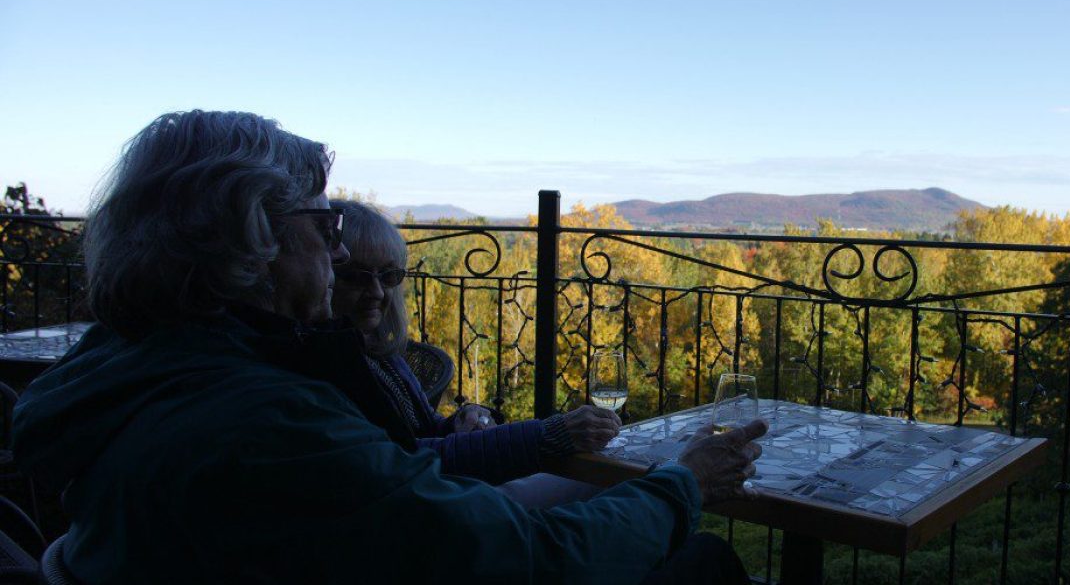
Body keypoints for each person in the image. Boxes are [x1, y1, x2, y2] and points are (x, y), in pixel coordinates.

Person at [13, 110, 763, 584]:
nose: (337, 258)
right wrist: (680, 486)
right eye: (325, 227)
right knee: (703, 563)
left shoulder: (123, 373)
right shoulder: (264, 424)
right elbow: (525, 559)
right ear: (256, 236)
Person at [330, 198, 603, 505]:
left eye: (389, 276)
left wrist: (457, 423)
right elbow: (406, 459)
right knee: (607, 485)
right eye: (355, 276)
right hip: (435, 510)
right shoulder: (331, 365)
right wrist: (549, 433)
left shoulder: (375, 349)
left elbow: (420, 434)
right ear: (322, 274)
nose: (378, 292)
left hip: (443, 492)